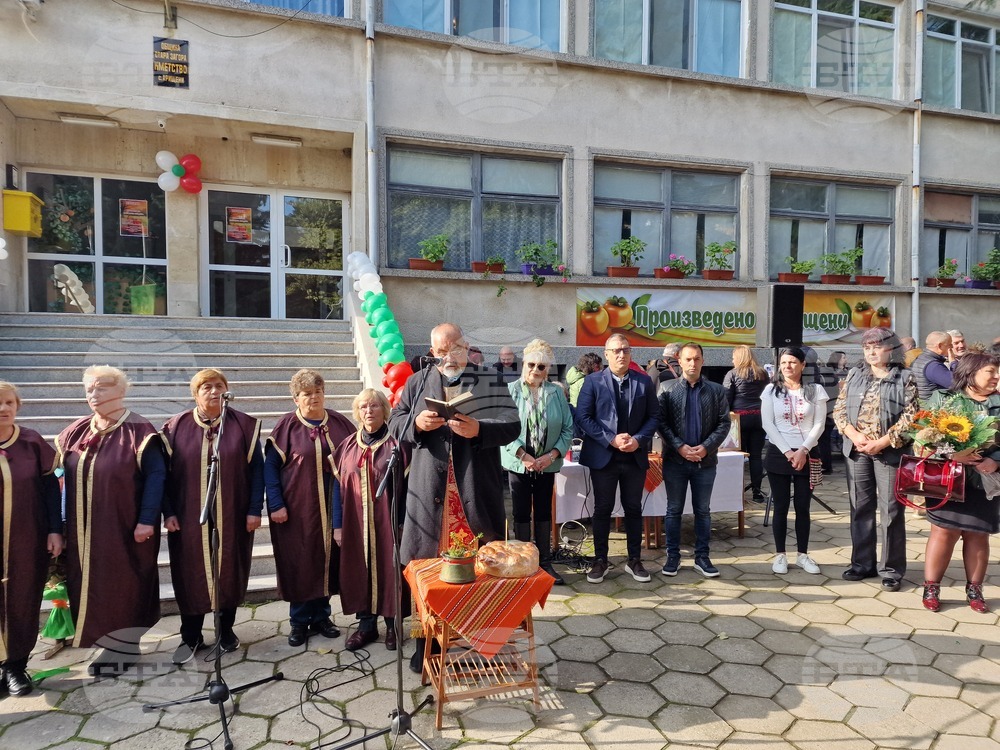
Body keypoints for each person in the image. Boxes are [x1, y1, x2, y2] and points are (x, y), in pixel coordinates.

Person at [388, 322, 519, 672]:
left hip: (473, 490)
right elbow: (394, 423)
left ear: (467, 346)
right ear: (432, 353)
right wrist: (416, 424)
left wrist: (480, 429)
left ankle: (479, 642)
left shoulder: (489, 379)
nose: (449, 357)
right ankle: (424, 643)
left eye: (455, 348)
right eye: (441, 351)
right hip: (429, 495)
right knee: (425, 573)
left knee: (479, 572)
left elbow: (512, 423)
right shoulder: (416, 383)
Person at [56, 365, 167, 676]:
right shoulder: (76, 431)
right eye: (90, 388)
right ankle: (106, 643)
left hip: (125, 527)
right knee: (94, 587)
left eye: (103, 387)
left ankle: (125, 646)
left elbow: (156, 477)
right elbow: (59, 479)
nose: (95, 393)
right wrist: (61, 524)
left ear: (121, 391)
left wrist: (147, 520)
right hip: (84, 530)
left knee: (124, 586)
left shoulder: (140, 431)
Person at [161, 369, 264, 664]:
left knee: (229, 570)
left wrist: (255, 509)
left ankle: (226, 630)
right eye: (206, 386)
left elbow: (257, 469)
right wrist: (168, 512)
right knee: (190, 574)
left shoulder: (243, 425)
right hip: (188, 517)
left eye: (220, 385)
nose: (214, 391)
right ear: (195, 394)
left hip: (233, 514)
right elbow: (163, 476)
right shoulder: (175, 428)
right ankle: (190, 636)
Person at [265, 368, 354, 647]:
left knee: (328, 560)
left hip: (334, 508)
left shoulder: (340, 423)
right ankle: (298, 621)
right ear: (296, 399)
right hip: (297, 509)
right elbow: (270, 468)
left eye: (318, 392)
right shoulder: (286, 427)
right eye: (306, 394)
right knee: (301, 562)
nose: (313, 398)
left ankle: (322, 617)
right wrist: (276, 503)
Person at [833, 327, 918, 591]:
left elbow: (911, 416)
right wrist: (853, 434)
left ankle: (891, 570)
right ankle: (862, 564)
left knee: (891, 510)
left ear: (890, 349)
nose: (870, 352)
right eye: (866, 347)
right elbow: (839, 409)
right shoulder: (855, 374)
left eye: (876, 346)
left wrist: (882, 442)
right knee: (860, 507)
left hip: (890, 452)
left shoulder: (904, 377)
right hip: (857, 451)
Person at [919, 353, 1000, 613]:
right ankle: (931, 587)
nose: (996, 377)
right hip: (948, 478)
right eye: (991, 371)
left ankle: (975, 590)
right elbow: (923, 437)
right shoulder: (945, 400)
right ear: (971, 372)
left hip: (985, 481)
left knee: (978, 534)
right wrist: (950, 453)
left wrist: (996, 461)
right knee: (943, 532)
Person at [576, 334, 659, 584]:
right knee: (602, 509)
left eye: (625, 349)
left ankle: (634, 560)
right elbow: (583, 417)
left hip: (634, 456)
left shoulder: (643, 382)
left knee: (633, 508)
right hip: (605, 456)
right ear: (607, 353)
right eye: (616, 350)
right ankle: (600, 560)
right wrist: (611, 439)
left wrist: (638, 439)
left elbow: (654, 417)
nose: (621, 354)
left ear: (630, 353)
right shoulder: (592, 381)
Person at [333, 389, 409, 651]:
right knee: (359, 570)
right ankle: (366, 627)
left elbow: (409, 487)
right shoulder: (347, 446)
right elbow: (336, 487)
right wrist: (338, 525)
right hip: (356, 524)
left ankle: (392, 626)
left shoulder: (398, 445)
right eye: (363, 406)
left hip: (388, 524)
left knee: (390, 573)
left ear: (384, 410)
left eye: (374, 406)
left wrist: (403, 524)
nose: (369, 411)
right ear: (357, 411)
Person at [0, 382, 63, 696]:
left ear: (18, 405)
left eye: (9, 402)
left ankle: (15, 667)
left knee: (23, 601)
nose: (3, 409)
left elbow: (52, 490)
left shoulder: (32, 442)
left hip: (26, 539)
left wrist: (55, 530)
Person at [500, 339, 574, 585]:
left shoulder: (556, 393)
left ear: (548, 369)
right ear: (524, 363)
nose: (535, 370)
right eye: (531, 364)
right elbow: (502, 427)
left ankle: (543, 563)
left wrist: (551, 455)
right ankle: (522, 562)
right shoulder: (510, 390)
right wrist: (523, 455)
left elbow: (567, 428)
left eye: (541, 366)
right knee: (520, 511)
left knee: (543, 511)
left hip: (546, 463)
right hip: (519, 462)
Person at [658, 343, 731, 578]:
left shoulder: (716, 390)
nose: (692, 363)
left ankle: (702, 557)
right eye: (688, 359)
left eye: (697, 359)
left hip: (705, 461)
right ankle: (673, 556)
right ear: (679, 361)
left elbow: (724, 423)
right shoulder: (667, 389)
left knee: (703, 510)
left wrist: (706, 447)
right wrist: (679, 446)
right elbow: (661, 422)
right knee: (673, 510)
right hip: (675, 461)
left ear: (702, 360)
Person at [760, 348, 829, 575]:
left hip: (807, 453)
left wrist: (802, 450)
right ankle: (780, 555)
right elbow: (768, 424)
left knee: (803, 507)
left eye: (792, 362)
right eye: (784, 362)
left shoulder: (815, 390)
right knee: (780, 506)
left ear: (802, 365)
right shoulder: (771, 390)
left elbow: (819, 424)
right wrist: (788, 452)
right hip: (779, 454)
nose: (787, 366)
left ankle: (803, 554)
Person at [722, 345, 769, 501]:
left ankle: (735, 493)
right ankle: (757, 493)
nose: (732, 359)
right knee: (756, 456)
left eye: (734, 357)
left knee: (736, 456)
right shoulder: (762, 373)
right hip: (759, 417)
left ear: (739, 357)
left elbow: (726, 398)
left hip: (739, 418)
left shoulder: (732, 374)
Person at [912, 331, 953, 403]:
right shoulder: (933, 366)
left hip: (924, 406)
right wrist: (953, 363)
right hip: (933, 408)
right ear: (940, 346)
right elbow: (955, 383)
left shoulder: (920, 359)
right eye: (949, 345)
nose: (952, 347)